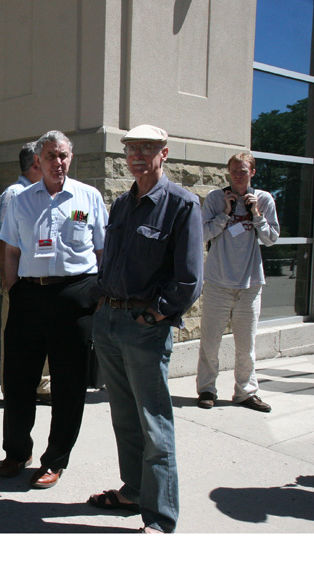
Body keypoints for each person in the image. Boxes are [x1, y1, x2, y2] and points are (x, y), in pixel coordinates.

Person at [90, 125, 203, 533]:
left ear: (164, 153)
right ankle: (135, 491)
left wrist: (154, 316)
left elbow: (189, 279)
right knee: (124, 417)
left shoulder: (182, 205)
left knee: (154, 423)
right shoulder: (122, 204)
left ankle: (160, 518)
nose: (137, 154)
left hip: (144, 328)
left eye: (147, 148)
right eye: (131, 148)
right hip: (110, 321)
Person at [0, 131, 107, 489]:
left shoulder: (88, 197)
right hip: (29, 295)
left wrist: (100, 295)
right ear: (37, 161)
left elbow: (102, 250)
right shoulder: (21, 200)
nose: (57, 162)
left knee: (68, 384)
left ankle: (55, 459)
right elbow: (10, 247)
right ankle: (16, 452)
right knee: (18, 381)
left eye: (63, 155)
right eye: (50, 156)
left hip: (75, 296)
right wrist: (12, 286)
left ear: (70, 158)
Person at [196, 152, 279, 412]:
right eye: (234, 171)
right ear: (228, 172)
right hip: (218, 283)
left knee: (246, 346)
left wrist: (256, 214)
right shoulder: (215, 198)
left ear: (252, 172)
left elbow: (271, 239)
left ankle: (246, 392)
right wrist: (225, 213)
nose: (238, 175)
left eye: (243, 171)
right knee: (210, 342)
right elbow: (201, 234)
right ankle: (207, 389)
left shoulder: (264, 199)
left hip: (250, 285)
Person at [0, 142, 50, 401]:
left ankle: (41, 385)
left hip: (39, 277)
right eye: (47, 158)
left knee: (40, 334)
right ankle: (12, 388)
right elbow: (2, 237)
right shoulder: (15, 193)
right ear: (36, 163)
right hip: (16, 276)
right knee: (14, 334)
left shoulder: (42, 192)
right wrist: (8, 278)